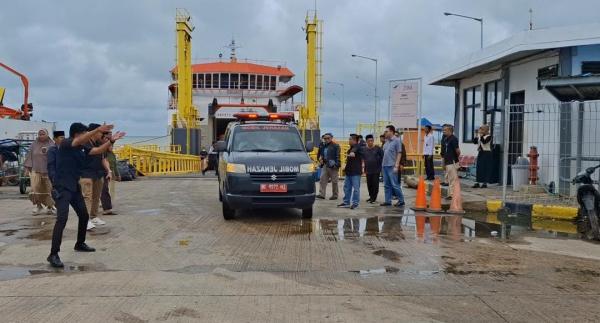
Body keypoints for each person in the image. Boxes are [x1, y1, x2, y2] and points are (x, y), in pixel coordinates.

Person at [48, 122, 124, 268]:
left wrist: (112, 140)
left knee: (83, 215)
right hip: (62, 187)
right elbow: (79, 140)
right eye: (84, 133)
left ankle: (80, 243)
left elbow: (97, 151)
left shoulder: (82, 147)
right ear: (77, 134)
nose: (85, 136)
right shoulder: (66, 143)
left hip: (74, 186)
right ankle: (53, 254)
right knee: (61, 219)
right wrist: (97, 129)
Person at [79, 124, 109, 230]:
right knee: (87, 197)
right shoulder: (85, 143)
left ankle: (93, 216)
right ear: (94, 132)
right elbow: (95, 151)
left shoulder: (98, 143)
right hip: (86, 174)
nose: (102, 135)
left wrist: (108, 170)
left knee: (96, 197)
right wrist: (111, 141)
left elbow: (103, 158)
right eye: (101, 132)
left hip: (98, 173)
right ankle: (85, 220)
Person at [24, 129, 55, 215]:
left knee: (48, 190)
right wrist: (27, 169)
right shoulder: (33, 145)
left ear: (47, 134)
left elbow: (56, 157)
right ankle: (38, 206)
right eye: (39, 134)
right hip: (35, 171)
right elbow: (29, 156)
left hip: (48, 172)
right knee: (34, 189)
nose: (41, 136)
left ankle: (50, 207)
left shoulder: (52, 144)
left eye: (43, 134)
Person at [381, 125, 405, 207]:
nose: (385, 133)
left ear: (391, 132)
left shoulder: (397, 140)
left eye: (386, 131)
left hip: (392, 166)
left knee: (394, 184)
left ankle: (401, 200)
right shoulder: (386, 142)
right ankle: (388, 201)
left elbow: (399, 153)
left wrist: (397, 165)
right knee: (386, 185)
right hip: (385, 166)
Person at [338, 134, 363, 209]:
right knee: (347, 187)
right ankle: (346, 202)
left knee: (356, 189)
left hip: (355, 172)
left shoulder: (358, 147)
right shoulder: (351, 148)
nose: (348, 141)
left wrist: (352, 153)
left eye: (350, 139)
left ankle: (355, 203)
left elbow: (355, 150)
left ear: (354, 140)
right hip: (349, 171)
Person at [316, 133, 340, 200]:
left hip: (333, 166)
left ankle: (335, 195)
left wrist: (336, 165)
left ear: (331, 138)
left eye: (328, 138)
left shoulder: (336, 146)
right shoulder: (322, 146)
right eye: (325, 138)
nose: (326, 140)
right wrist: (319, 159)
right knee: (322, 179)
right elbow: (319, 154)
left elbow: (338, 156)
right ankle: (322, 194)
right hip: (325, 164)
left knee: (334, 181)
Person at [101, 132, 120, 215]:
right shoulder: (103, 150)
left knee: (107, 190)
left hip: (109, 172)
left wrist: (116, 174)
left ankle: (107, 207)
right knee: (103, 190)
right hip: (100, 172)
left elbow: (115, 165)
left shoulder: (111, 154)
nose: (111, 147)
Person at [441, 125, 460, 199]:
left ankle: (452, 195)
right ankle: (451, 194)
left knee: (453, 178)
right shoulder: (446, 139)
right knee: (450, 178)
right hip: (447, 160)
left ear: (450, 131)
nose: (444, 131)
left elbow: (457, 150)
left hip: (452, 161)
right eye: (443, 130)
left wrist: (455, 157)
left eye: (445, 130)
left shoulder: (453, 139)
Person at [363, 134, 383, 203]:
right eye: (369, 141)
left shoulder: (378, 148)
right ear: (366, 142)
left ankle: (374, 198)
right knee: (369, 184)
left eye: (372, 141)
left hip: (376, 170)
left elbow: (382, 157)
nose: (370, 142)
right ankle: (371, 196)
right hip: (368, 170)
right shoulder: (365, 149)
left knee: (375, 184)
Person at [472, 124, 493, 188]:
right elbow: (474, 142)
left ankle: (485, 183)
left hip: (487, 153)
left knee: (486, 168)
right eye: (480, 129)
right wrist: (476, 134)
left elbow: (484, 142)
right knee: (479, 167)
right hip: (481, 153)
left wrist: (480, 136)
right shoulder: (480, 136)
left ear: (486, 130)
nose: (480, 131)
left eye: (482, 129)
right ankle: (477, 182)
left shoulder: (489, 136)